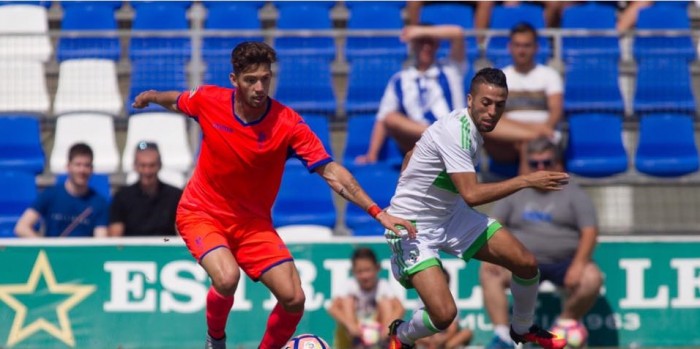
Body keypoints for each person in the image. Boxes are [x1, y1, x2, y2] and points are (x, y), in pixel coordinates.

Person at [131, 41, 416, 349]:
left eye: (265, 78)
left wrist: (378, 212)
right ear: (234, 80)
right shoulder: (210, 100)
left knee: (294, 299)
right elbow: (177, 100)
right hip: (202, 213)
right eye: (250, 80)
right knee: (227, 278)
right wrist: (153, 97)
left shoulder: (287, 124)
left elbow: (333, 173)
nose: (259, 87)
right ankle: (215, 340)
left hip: (253, 225)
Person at [382, 67, 569, 349]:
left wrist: (411, 179)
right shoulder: (455, 131)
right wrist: (527, 179)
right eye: (486, 103)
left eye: (500, 105)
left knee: (526, 263)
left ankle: (521, 328)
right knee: (444, 315)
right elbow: (471, 194)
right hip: (413, 228)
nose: (493, 111)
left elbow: (413, 153)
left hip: (450, 215)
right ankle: (402, 335)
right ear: (470, 100)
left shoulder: (472, 128)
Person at [479, 137, 602, 349]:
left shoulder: (573, 192)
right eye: (535, 164)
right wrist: (494, 255)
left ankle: (563, 324)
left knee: (592, 278)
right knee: (488, 271)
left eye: (546, 163)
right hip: (520, 260)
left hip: (563, 262)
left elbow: (589, 232)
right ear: (528, 164)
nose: (541, 168)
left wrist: (579, 264)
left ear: (557, 163)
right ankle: (503, 337)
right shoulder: (516, 189)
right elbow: (495, 223)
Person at [356, 24, 467, 164]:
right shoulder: (400, 80)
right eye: (421, 41)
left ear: (437, 45)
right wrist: (371, 155)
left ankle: (444, 139)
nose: (426, 47)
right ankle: (439, 137)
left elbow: (457, 33)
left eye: (431, 42)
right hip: (421, 140)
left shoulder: (451, 69)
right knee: (391, 117)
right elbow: (383, 119)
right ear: (413, 45)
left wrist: (419, 31)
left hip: (454, 138)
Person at [483, 23, 563, 171]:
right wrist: (533, 131)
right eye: (517, 45)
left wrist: (542, 131)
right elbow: (494, 115)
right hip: (510, 139)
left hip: (544, 136)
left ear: (535, 48)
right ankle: (530, 137)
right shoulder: (499, 77)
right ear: (510, 47)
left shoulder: (549, 75)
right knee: (484, 122)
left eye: (526, 46)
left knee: (531, 144)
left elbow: (556, 110)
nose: (521, 51)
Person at [14, 143, 108, 238]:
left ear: (92, 169)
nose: (82, 170)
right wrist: (44, 247)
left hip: (83, 252)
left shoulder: (99, 203)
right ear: (68, 167)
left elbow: (101, 239)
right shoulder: (50, 195)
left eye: (86, 165)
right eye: (78, 165)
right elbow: (21, 227)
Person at [328, 247, 405, 349]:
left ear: (377, 268)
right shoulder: (350, 285)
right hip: (353, 330)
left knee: (385, 303)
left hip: (377, 329)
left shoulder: (382, 285)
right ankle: (355, 343)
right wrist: (350, 325)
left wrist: (387, 328)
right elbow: (333, 308)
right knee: (347, 301)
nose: (365, 276)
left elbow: (399, 308)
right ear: (353, 271)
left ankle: (384, 343)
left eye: (368, 270)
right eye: (359, 271)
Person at [108, 141, 183, 237]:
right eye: (143, 165)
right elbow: (115, 239)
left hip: (165, 245)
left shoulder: (175, 196)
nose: (147, 171)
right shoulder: (122, 197)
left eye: (152, 165)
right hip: (133, 249)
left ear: (159, 165)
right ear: (135, 166)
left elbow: (181, 237)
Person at [414, 269, 473, 349]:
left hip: (443, 340)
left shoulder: (451, 302)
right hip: (426, 338)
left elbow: (453, 328)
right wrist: (429, 340)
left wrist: (441, 340)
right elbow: (417, 326)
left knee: (466, 333)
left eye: (444, 284)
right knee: (410, 336)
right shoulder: (423, 301)